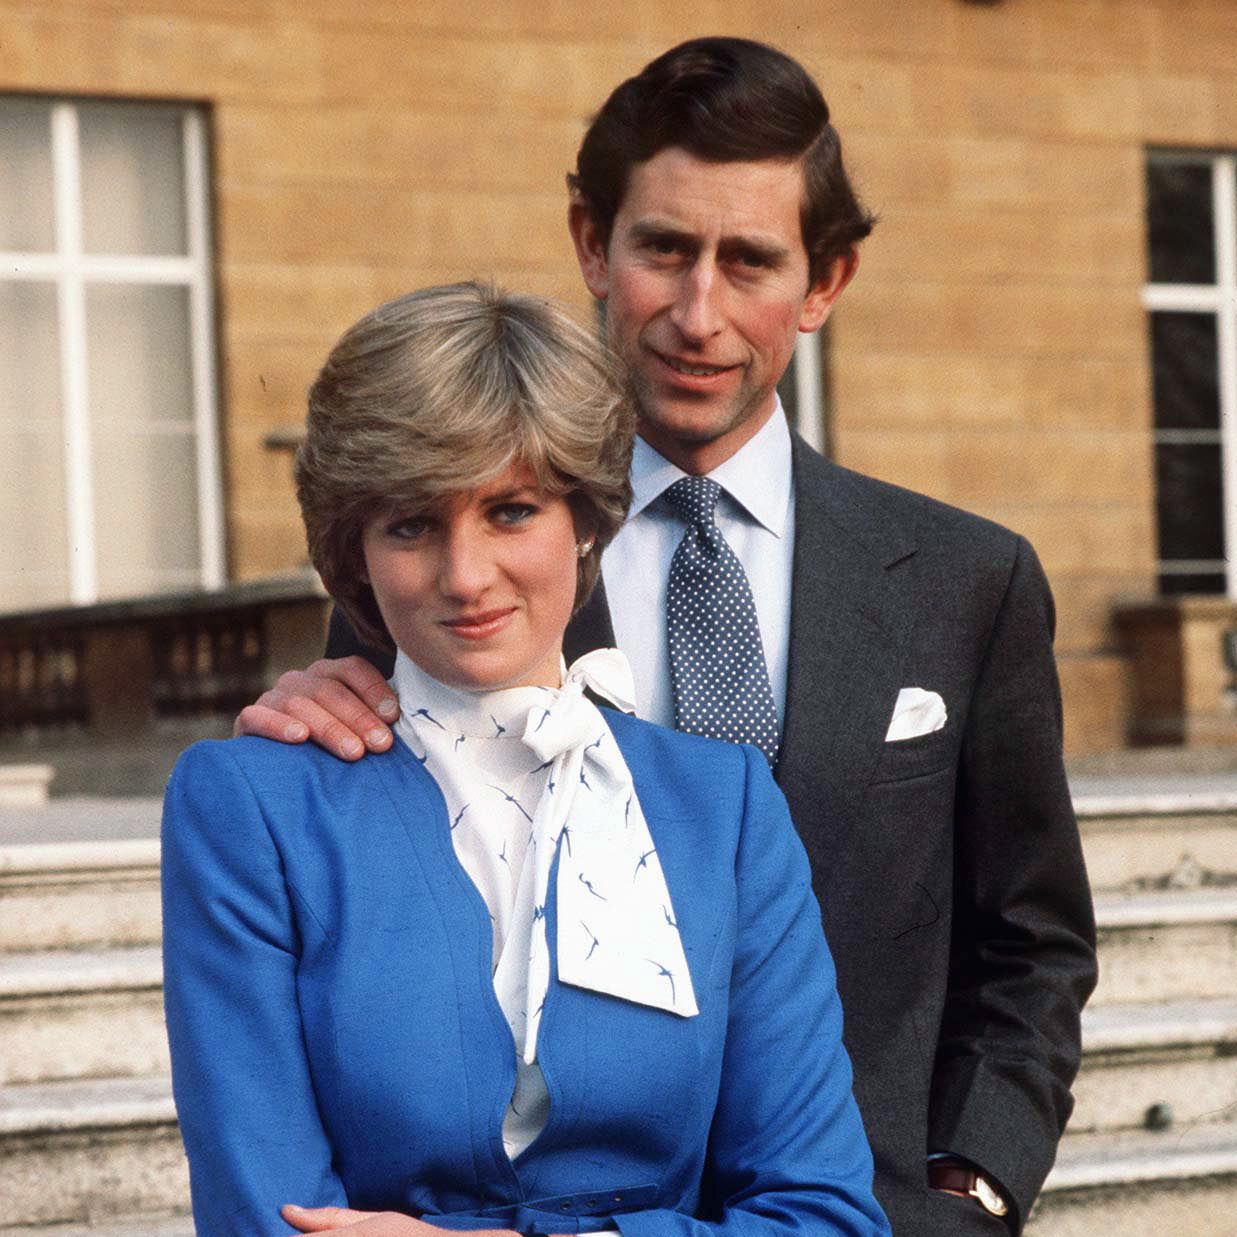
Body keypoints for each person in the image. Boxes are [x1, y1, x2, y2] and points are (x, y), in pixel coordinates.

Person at [235, 39, 1098, 1236]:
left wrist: (972, 1183)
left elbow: (1033, 940)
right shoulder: (457, 564)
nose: (699, 314)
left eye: (749, 261)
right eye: (662, 250)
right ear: (593, 243)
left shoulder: (968, 580)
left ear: (825, 280)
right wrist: (311, 714)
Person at [163, 281, 890, 1237]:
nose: (465, 577)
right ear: (356, 550)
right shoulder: (253, 807)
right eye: (412, 524)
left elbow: (827, 1220)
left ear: (585, 518)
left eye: (510, 511)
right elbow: (270, 1218)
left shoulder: (723, 807)